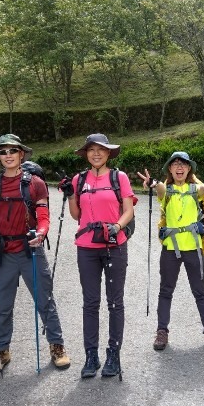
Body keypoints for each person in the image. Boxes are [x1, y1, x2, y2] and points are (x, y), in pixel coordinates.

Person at [0, 134, 70, 375]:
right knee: (4, 306)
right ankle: (2, 350)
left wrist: (41, 233)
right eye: (3, 151)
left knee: (45, 302)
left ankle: (57, 347)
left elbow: (44, 216)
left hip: (31, 251)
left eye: (12, 151)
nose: (7, 155)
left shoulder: (35, 183)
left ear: (21, 155)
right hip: (5, 252)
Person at [58, 133, 135, 379]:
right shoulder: (79, 179)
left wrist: (117, 227)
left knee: (115, 302)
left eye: (101, 149)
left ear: (109, 153)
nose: (96, 153)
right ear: (86, 154)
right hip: (87, 247)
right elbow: (75, 215)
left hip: (114, 244)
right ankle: (91, 355)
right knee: (90, 303)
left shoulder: (118, 177)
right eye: (91, 150)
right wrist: (70, 194)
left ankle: (114, 354)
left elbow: (128, 210)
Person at [136, 152, 204, 353]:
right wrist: (151, 183)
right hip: (170, 248)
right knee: (166, 290)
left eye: (183, 164)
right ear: (170, 169)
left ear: (189, 169)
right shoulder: (166, 190)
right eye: (175, 164)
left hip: (193, 248)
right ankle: (162, 331)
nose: (179, 167)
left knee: (200, 291)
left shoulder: (195, 189)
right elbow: (157, 186)